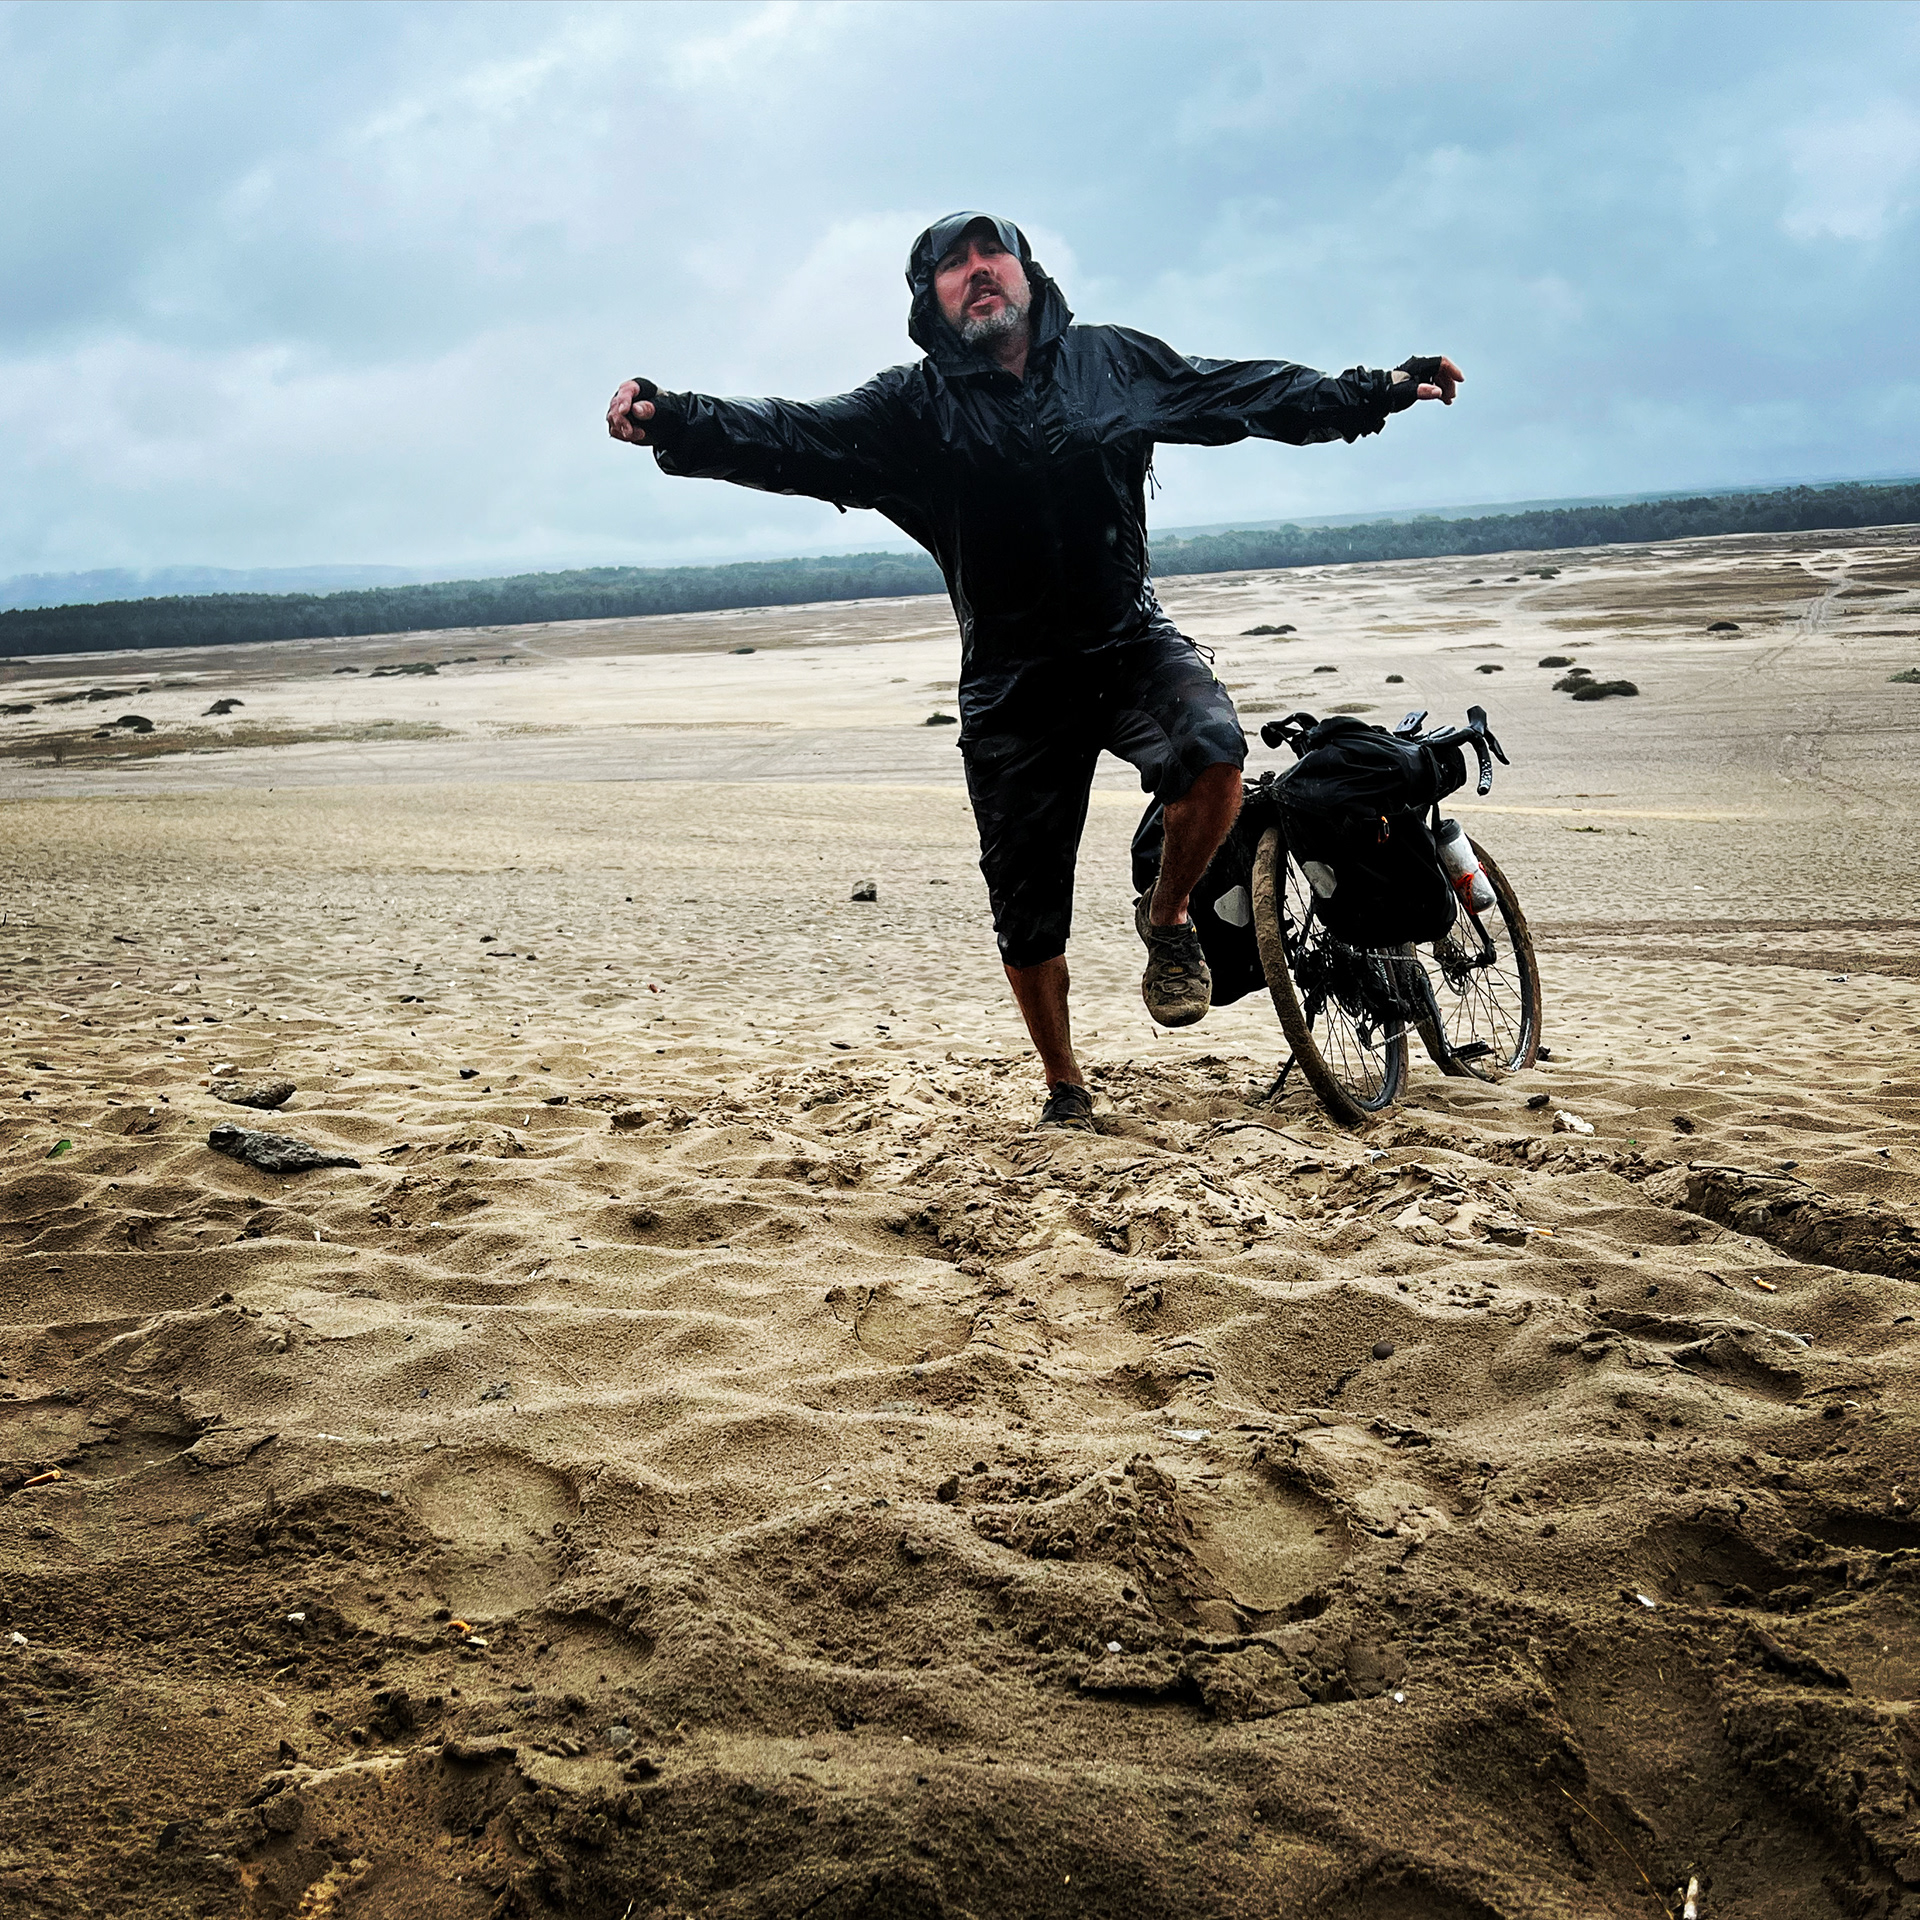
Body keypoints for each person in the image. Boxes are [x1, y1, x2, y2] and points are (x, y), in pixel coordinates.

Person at [607, 211, 1461, 1130]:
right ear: (929, 297)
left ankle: (1168, 918)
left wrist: (1373, 391)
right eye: (954, 263)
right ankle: (1065, 1087)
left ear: (1027, 273)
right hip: (1012, 684)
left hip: (1128, 644)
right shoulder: (910, 410)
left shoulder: (1110, 363)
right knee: (1026, 904)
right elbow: (789, 434)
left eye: (994, 254)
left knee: (1214, 749)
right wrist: (676, 419)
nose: (979, 271)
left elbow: (1242, 391)